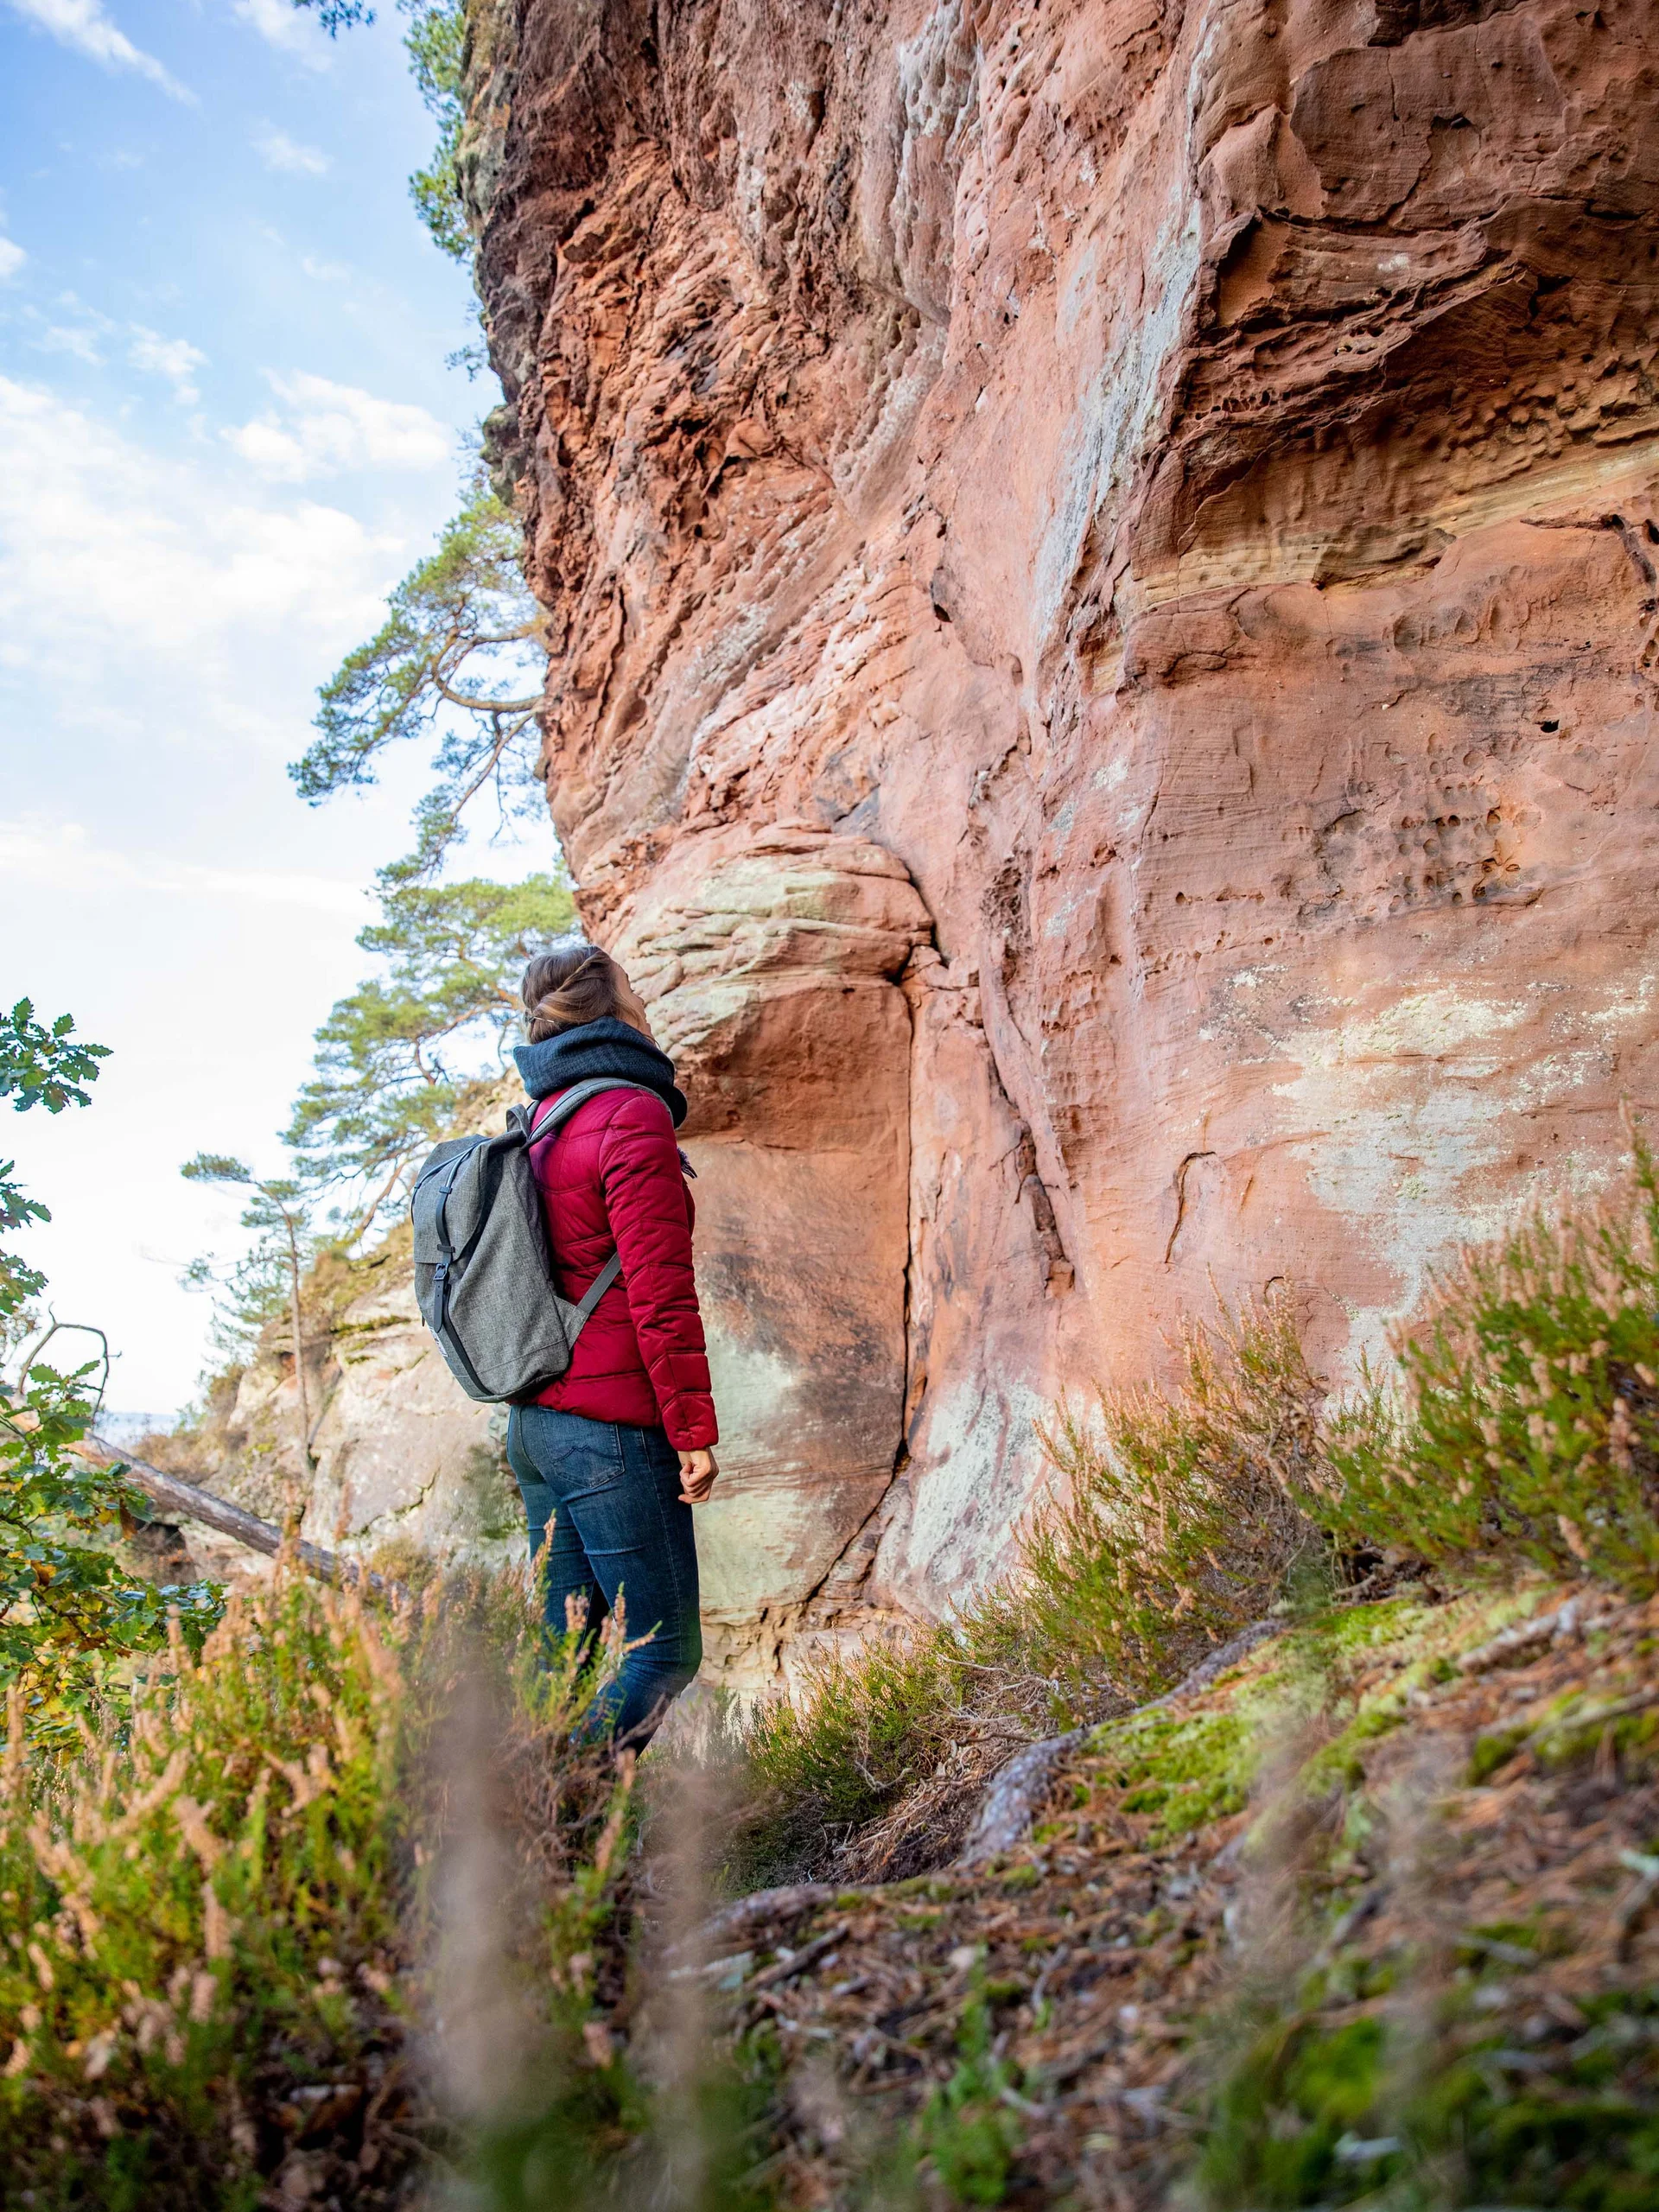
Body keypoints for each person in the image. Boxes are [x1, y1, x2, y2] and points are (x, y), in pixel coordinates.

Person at [506, 939, 719, 1748]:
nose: (643, 999)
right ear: (614, 1008)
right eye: (632, 986)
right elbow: (658, 1291)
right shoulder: (628, 1112)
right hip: (610, 1430)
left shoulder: (539, 1120)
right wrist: (692, 1431)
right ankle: (554, 1807)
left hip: (536, 1425)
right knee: (663, 1655)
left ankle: (511, 1834)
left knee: (562, 1652)